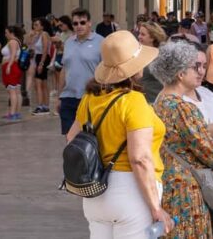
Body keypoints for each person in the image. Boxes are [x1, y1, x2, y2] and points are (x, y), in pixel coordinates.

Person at [64, 30, 174, 238]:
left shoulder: (90, 98)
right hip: (131, 193)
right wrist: (155, 207)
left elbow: (71, 138)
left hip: (96, 191)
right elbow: (139, 158)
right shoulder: (133, 101)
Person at [150, 40, 213, 238]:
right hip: (187, 188)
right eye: (194, 67)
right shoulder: (182, 107)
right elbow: (205, 148)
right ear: (180, 74)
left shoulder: (160, 102)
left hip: (168, 183)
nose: (200, 72)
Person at [58, 8, 104, 135]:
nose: (79, 26)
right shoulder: (68, 42)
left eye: (82, 22)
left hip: (91, 97)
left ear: (89, 23)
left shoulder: (101, 42)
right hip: (68, 98)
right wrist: (59, 96)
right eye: (75, 23)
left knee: (89, 138)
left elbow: (106, 71)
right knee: (70, 138)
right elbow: (64, 69)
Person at [137, 21, 167, 103]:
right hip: (140, 101)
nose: (139, 36)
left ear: (152, 38)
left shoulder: (161, 56)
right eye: (139, 33)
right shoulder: (138, 52)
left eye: (143, 34)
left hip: (155, 101)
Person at [28, 17, 53, 115]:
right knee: (41, 83)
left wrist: (41, 63)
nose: (34, 26)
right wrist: (31, 37)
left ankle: (41, 106)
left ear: (42, 26)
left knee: (39, 83)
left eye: (37, 25)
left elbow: (45, 49)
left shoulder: (44, 34)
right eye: (34, 25)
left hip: (42, 58)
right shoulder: (36, 35)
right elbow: (29, 46)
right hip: (37, 57)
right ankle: (45, 105)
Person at [1, 26, 24, 120]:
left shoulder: (12, 42)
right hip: (14, 67)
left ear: (11, 33)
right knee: (17, 91)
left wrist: (9, 65)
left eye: (6, 33)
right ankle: (16, 112)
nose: (5, 35)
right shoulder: (17, 41)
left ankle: (13, 113)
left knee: (12, 91)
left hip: (11, 67)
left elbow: (13, 54)